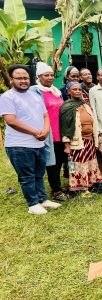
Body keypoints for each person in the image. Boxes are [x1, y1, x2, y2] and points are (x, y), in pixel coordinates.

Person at [0, 64, 61, 214]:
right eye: (19, 78)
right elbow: (11, 120)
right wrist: (35, 132)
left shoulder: (35, 95)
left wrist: (46, 131)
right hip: (19, 145)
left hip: (38, 142)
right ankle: (32, 204)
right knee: (27, 175)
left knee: (39, 173)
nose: (23, 81)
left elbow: (45, 115)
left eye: (25, 78)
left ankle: (43, 199)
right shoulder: (7, 97)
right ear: (11, 80)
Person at [60, 82, 102, 193]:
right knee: (79, 164)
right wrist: (67, 145)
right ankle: (79, 188)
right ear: (69, 92)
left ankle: (90, 184)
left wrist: (95, 140)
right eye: (75, 89)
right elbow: (65, 127)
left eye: (79, 89)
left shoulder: (85, 105)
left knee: (90, 163)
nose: (78, 91)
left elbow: (93, 122)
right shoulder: (67, 107)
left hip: (89, 141)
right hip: (78, 141)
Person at [35, 62, 68, 201]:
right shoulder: (35, 91)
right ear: (38, 77)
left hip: (61, 132)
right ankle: (56, 191)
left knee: (60, 161)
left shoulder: (56, 91)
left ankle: (58, 185)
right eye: (46, 75)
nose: (50, 78)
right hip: (47, 133)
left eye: (51, 75)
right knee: (52, 163)